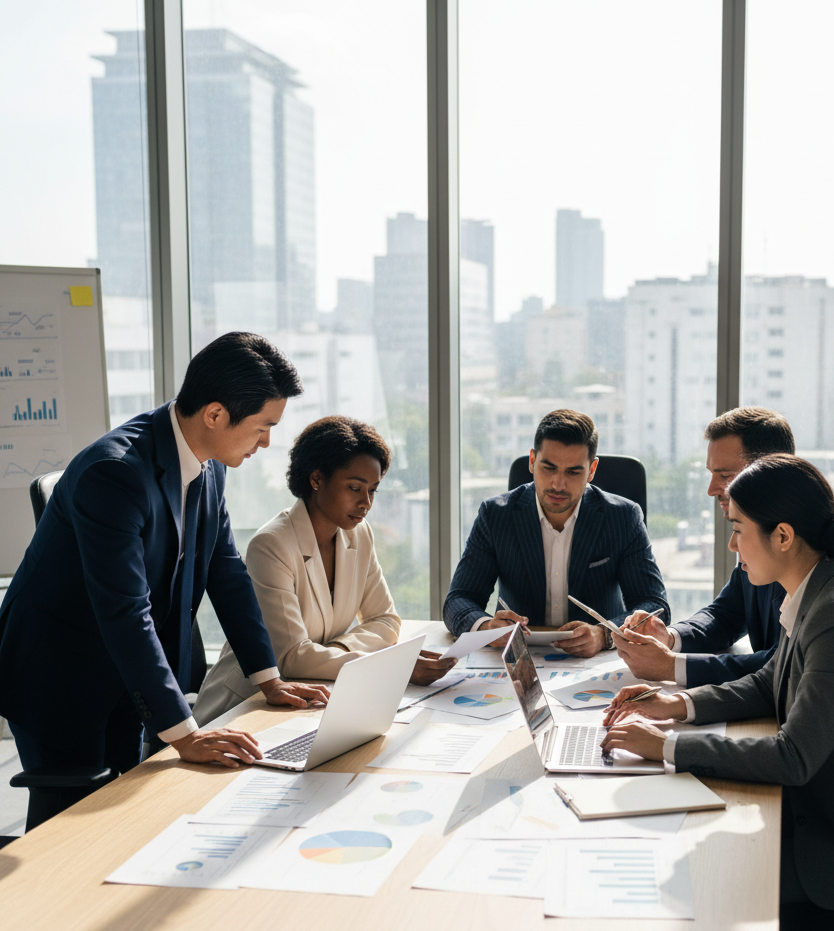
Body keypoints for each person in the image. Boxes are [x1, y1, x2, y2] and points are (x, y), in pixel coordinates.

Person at [601, 454, 834, 910]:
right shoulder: (820, 586)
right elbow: (767, 683)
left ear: (783, 536)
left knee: (701, 872)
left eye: (738, 529)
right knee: (692, 840)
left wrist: (666, 747)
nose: (732, 545)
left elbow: (792, 757)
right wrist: (676, 706)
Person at [0, 332, 330, 783]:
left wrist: (268, 679)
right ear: (215, 414)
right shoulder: (114, 473)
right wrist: (187, 736)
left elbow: (226, 570)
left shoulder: (211, 463)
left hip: (125, 672)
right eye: (263, 426)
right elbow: (125, 611)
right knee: (76, 822)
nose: (267, 442)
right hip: (62, 674)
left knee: (130, 804)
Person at [193, 415, 455, 725]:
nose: (366, 503)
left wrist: (336, 649)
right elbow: (291, 657)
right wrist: (388, 665)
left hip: (314, 695)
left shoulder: (359, 534)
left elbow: (385, 620)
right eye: (355, 488)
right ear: (316, 479)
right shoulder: (271, 545)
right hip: (246, 705)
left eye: (373, 490)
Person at [614, 406, 834, 686]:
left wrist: (673, 667)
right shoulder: (758, 534)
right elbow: (727, 614)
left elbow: (787, 665)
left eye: (724, 476)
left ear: (768, 471)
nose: (711, 489)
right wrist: (671, 638)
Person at [443, 409, 669, 658]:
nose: (558, 484)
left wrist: (604, 634)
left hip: (596, 662)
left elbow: (654, 606)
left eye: (573, 472)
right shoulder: (495, 515)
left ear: (592, 470)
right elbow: (458, 600)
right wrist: (487, 628)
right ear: (532, 460)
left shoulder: (624, 517)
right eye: (548, 468)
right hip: (518, 660)